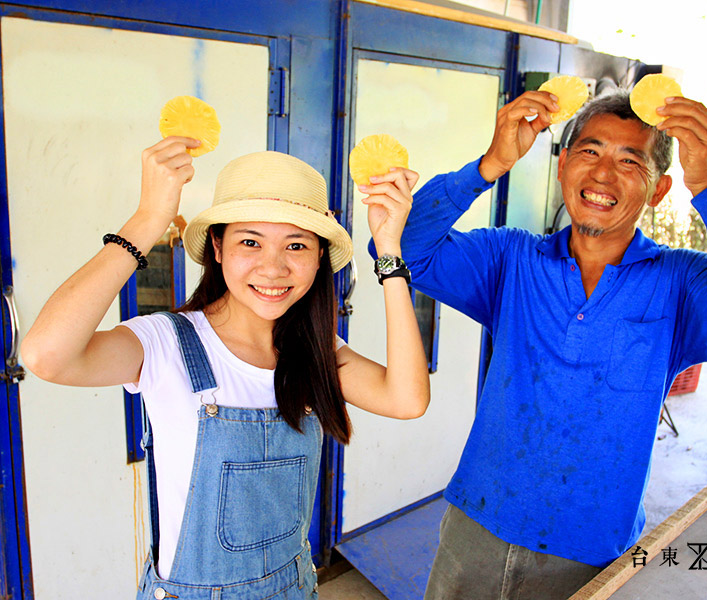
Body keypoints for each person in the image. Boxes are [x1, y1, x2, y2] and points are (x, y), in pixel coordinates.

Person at [362, 89, 707, 599]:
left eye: (630, 160)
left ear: (658, 191)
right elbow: (398, 247)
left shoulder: (681, 284)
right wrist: (491, 163)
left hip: (591, 549)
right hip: (476, 524)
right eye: (590, 152)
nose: (602, 174)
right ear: (563, 163)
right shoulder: (511, 259)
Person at [20, 136, 429, 599]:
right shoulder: (165, 343)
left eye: (296, 245)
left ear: (319, 259)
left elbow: (407, 399)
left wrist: (389, 253)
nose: (272, 267)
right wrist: (148, 220)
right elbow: (44, 356)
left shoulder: (314, 351)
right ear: (216, 247)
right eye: (249, 241)